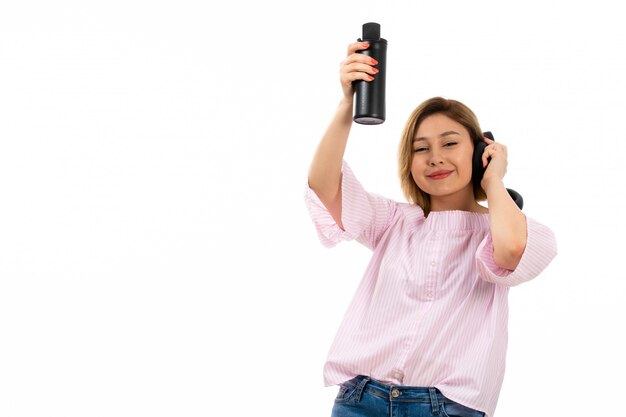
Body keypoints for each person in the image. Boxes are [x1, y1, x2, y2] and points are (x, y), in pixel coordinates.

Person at [304, 41, 557, 417]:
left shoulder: (506, 229)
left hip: (448, 408)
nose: (435, 157)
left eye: (450, 143)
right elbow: (325, 187)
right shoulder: (393, 221)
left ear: (479, 151)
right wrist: (347, 104)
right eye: (421, 149)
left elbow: (509, 253)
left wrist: (494, 182)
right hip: (361, 401)